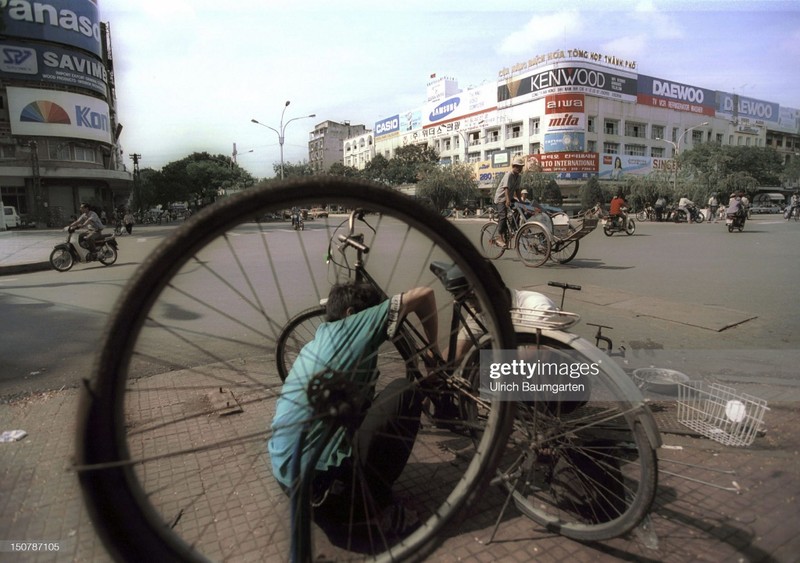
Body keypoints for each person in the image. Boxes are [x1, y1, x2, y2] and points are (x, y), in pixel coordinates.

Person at [268, 282, 440, 538]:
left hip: (289, 481)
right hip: (325, 493)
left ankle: (351, 493)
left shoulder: (318, 341)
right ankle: (376, 512)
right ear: (351, 315)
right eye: (369, 313)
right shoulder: (353, 328)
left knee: (370, 406)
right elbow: (425, 294)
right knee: (405, 392)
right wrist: (435, 354)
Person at [493, 155, 525, 247]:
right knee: (503, 216)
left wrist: (520, 201)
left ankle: (513, 228)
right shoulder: (508, 175)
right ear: (513, 166)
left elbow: (518, 190)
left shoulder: (518, 177)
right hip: (501, 198)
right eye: (518, 166)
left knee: (520, 208)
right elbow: (506, 188)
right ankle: (499, 236)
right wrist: (507, 200)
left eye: (521, 167)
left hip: (509, 198)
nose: (519, 169)